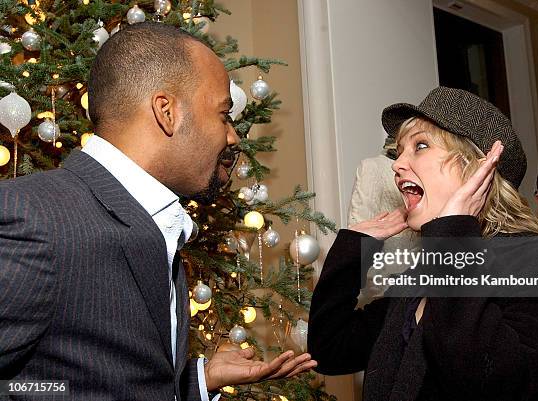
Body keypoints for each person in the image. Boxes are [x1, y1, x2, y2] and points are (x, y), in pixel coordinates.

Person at [0, 23, 315, 400]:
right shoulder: (33, 219)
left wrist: (196, 382)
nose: (232, 136)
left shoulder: (155, 224)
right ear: (166, 111)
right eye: (223, 114)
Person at [308, 87, 538, 401]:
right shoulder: (421, 276)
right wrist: (354, 247)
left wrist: (452, 237)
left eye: (420, 145)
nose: (396, 165)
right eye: (398, 153)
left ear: (478, 170)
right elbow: (330, 348)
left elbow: (490, 383)